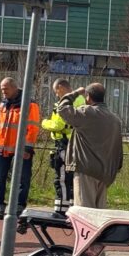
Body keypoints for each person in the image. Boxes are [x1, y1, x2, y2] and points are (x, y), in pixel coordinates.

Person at [57, 82, 123, 209]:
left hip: (86, 169)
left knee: (85, 212)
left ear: (88, 96)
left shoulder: (87, 113)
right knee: (99, 214)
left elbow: (62, 109)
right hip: (105, 172)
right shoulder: (115, 120)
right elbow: (118, 147)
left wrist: (75, 93)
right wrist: (116, 168)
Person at [0, 77, 40, 220]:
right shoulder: (1, 106)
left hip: (20, 149)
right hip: (1, 148)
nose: (3, 92)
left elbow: (33, 128)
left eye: (6, 89)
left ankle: (19, 206)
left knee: (23, 179)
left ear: (15, 88)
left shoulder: (29, 105)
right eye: (2, 90)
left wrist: (27, 148)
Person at [40, 78, 84, 214]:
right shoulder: (81, 101)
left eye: (56, 91)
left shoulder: (65, 102)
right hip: (76, 145)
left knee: (62, 178)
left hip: (64, 145)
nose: (56, 95)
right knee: (73, 178)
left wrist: (44, 123)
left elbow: (59, 125)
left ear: (60, 87)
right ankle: (71, 207)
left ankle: (61, 210)